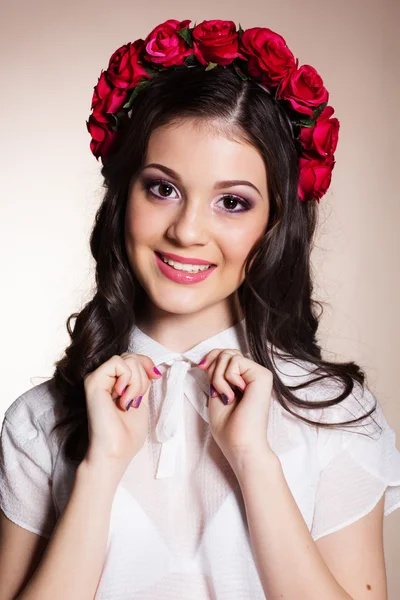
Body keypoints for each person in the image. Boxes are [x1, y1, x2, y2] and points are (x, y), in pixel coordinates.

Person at [0, 18, 399, 600]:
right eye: (162, 188)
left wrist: (254, 461)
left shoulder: (334, 417)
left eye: (232, 202)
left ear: (275, 224)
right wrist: (100, 468)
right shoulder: (40, 423)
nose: (187, 230)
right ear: (123, 195)